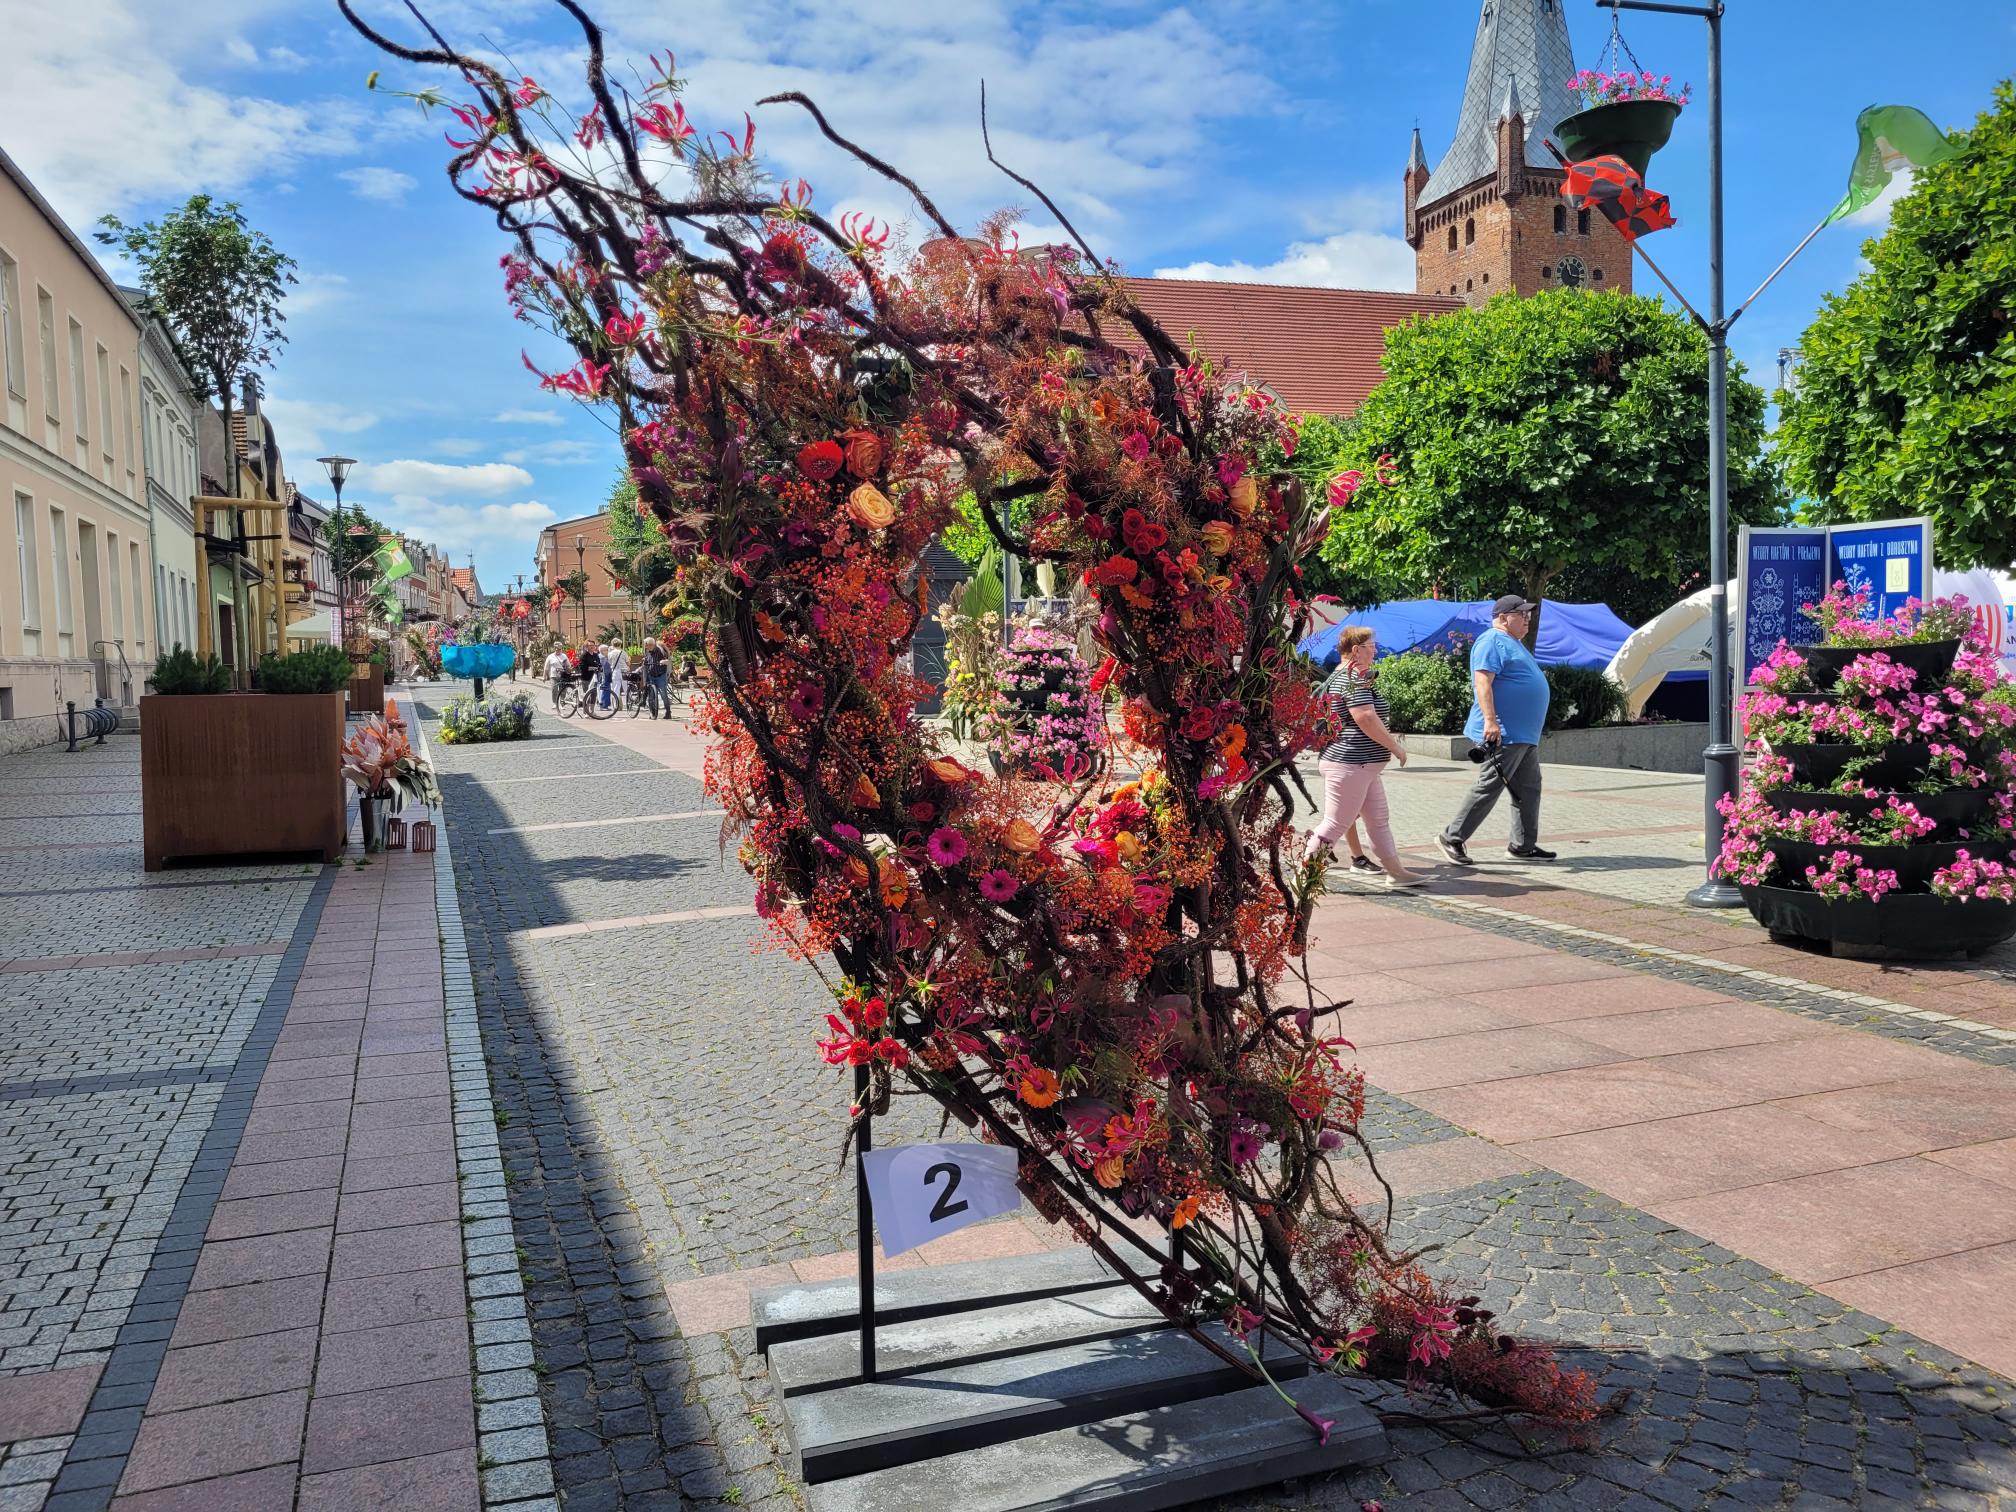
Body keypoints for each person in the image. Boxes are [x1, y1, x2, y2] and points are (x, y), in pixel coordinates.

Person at [1438, 595, 1556, 865]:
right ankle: (1451, 837)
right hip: (1503, 733)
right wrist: (1491, 721)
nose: (1527, 619)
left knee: (1528, 789)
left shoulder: (1514, 643)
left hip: (1522, 735)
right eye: (1521, 614)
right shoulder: (1492, 640)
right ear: (1503, 617)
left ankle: (1522, 846)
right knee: (1489, 786)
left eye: (1528, 615)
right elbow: (1482, 683)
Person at [1305, 627, 1426, 889]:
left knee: (1378, 820)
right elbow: (1365, 717)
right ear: (1356, 650)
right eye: (1371, 646)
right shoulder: (1353, 676)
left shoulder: (1341, 675)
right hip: (1351, 763)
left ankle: (1396, 872)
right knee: (1335, 823)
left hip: (1360, 765)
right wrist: (1395, 747)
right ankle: (1305, 876)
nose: (1375, 650)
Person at [643, 639, 674, 719]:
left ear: (651, 645)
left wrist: (663, 661)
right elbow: (646, 661)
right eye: (645, 645)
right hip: (651, 675)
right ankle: (652, 712)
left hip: (660, 675)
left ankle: (668, 712)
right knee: (651, 695)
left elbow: (667, 660)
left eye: (647, 645)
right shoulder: (647, 651)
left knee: (664, 694)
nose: (646, 647)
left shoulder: (660, 651)